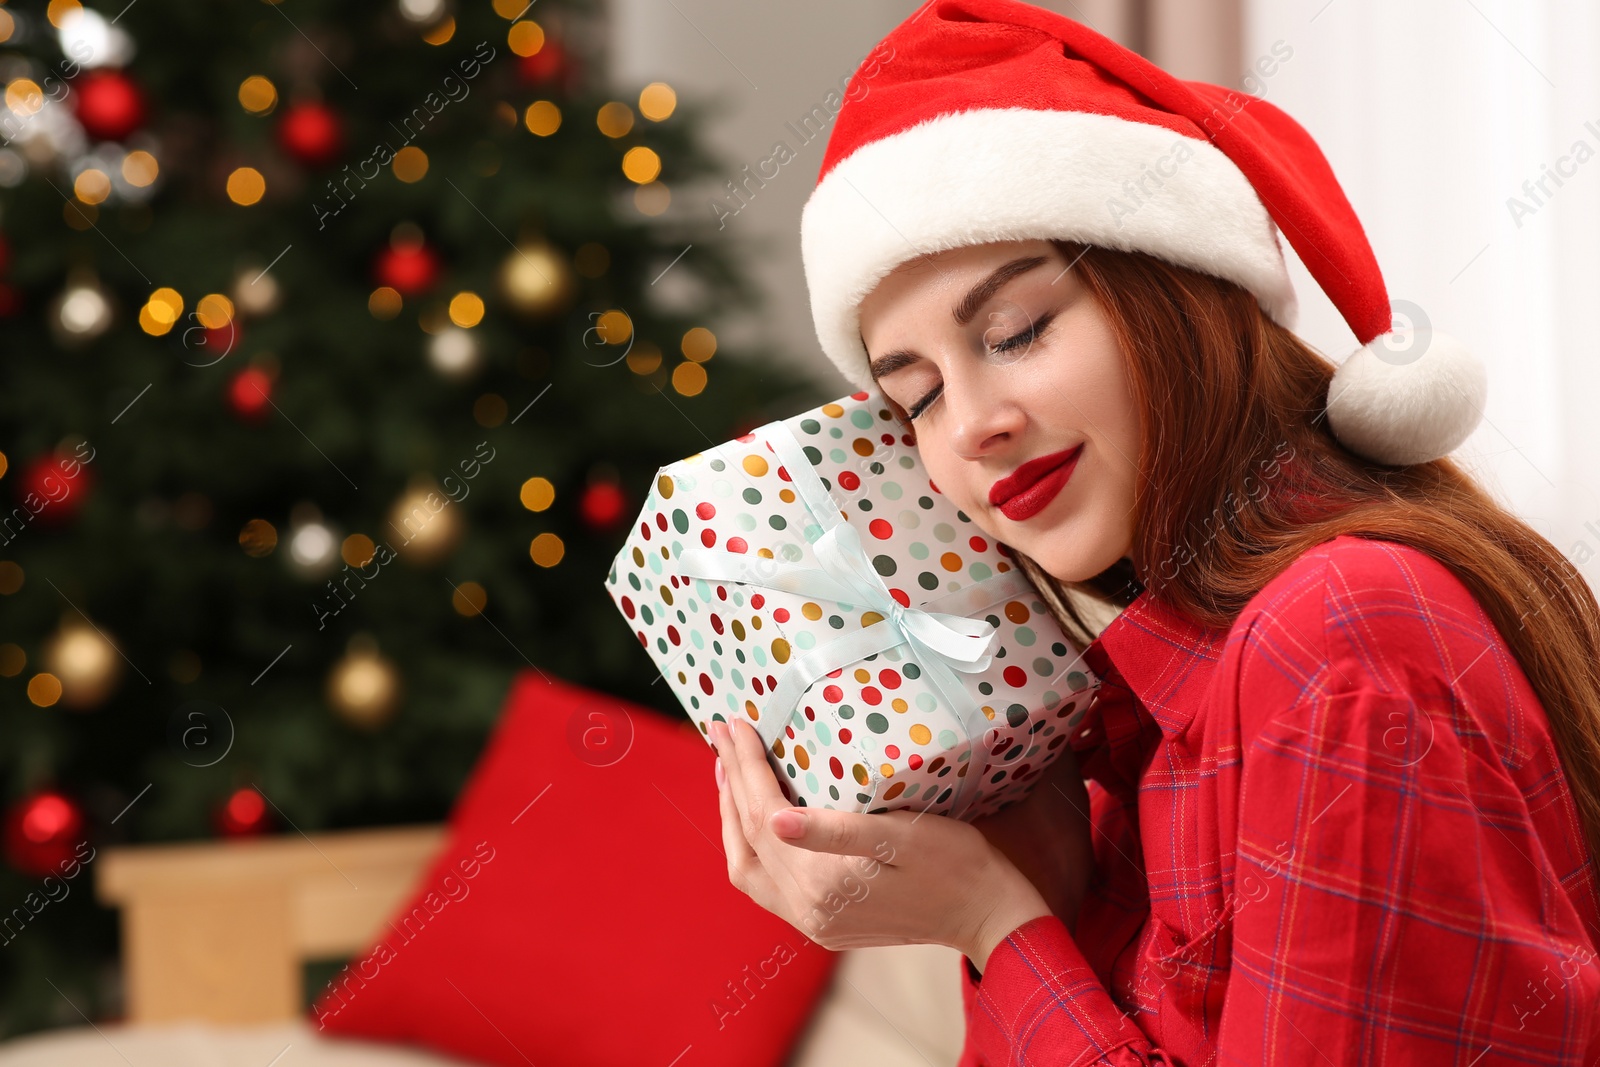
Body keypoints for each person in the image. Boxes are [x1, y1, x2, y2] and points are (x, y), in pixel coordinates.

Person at [709, 1, 1600, 1063]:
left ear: (1173, 292)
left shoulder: (1335, 638)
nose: (973, 423)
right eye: (916, 400)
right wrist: (1049, 892)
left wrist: (996, 924)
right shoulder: (1146, 711)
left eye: (1016, 330)